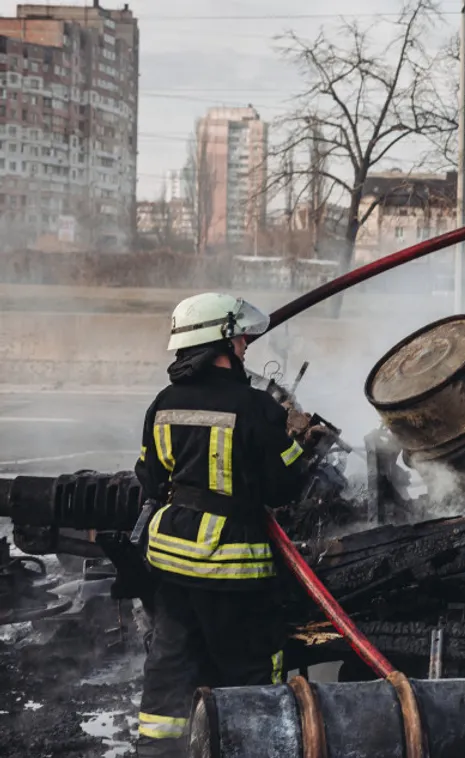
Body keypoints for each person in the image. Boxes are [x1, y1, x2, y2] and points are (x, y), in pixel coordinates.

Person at [133, 293, 306, 756]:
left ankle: (157, 751)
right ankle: (251, 746)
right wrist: (297, 440)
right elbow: (285, 486)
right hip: (233, 569)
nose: (247, 345)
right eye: (241, 337)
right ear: (223, 342)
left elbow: (149, 477)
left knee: (171, 665)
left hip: (169, 561)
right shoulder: (256, 409)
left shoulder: (163, 403)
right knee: (252, 671)